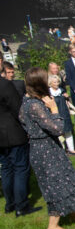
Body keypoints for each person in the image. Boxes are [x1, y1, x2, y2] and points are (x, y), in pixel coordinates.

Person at [19, 67, 75, 229]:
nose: (49, 81)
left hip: (43, 148)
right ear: (39, 83)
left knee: (64, 180)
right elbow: (58, 128)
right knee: (56, 186)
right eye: (46, 79)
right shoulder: (35, 105)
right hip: (45, 151)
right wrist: (54, 108)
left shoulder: (26, 101)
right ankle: (52, 227)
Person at [0, 75, 36, 217]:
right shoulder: (4, 84)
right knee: (20, 168)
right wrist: (27, 127)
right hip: (13, 133)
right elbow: (17, 109)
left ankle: (10, 204)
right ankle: (21, 206)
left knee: (6, 169)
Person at [49, 74, 75, 155]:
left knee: (68, 132)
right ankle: (61, 151)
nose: (57, 84)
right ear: (50, 83)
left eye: (57, 82)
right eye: (55, 82)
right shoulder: (48, 93)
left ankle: (71, 149)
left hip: (65, 114)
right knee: (58, 134)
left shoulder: (62, 90)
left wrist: (67, 97)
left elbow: (67, 102)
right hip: (55, 115)